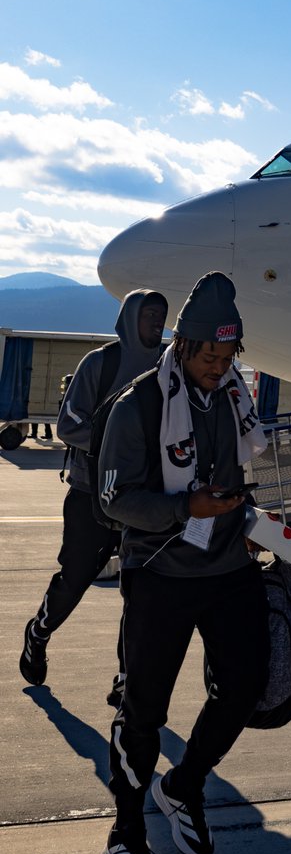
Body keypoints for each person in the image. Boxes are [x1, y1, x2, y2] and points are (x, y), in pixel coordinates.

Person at [97, 272, 270, 854]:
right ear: (184, 345)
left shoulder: (234, 398)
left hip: (229, 568)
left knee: (247, 685)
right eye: (209, 358)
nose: (219, 369)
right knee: (143, 708)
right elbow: (113, 499)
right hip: (161, 572)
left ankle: (184, 784)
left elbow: (236, 476)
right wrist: (183, 509)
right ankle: (125, 830)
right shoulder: (140, 404)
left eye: (228, 358)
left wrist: (251, 520)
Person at [19, 290, 168, 699]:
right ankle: (39, 632)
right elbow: (68, 425)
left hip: (143, 502)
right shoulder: (101, 363)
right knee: (75, 580)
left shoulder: (167, 367)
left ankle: (126, 680)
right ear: (131, 317)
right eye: (150, 314)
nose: (158, 322)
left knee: (140, 591)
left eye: (162, 315)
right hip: (91, 495)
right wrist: (120, 446)